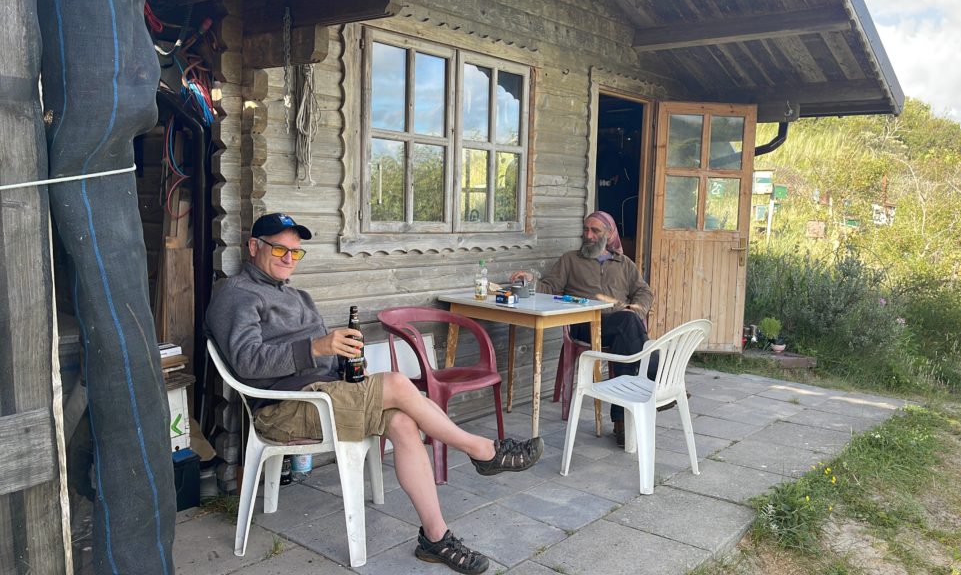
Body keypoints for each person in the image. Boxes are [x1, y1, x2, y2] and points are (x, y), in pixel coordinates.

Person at [207, 213, 543, 574]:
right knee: (398, 383)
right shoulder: (236, 294)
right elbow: (246, 362)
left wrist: (346, 365)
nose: (289, 258)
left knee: (401, 422)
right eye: (279, 249)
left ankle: (435, 537)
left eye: (295, 252)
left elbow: (322, 356)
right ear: (254, 247)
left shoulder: (297, 296)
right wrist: (318, 347)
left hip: (325, 395)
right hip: (283, 408)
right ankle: (484, 451)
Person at [511, 211, 667, 448]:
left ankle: (621, 423)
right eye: (586, 230)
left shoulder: (624, 264)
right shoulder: (571, 260)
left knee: (627, 330)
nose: (589, 235)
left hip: (621, 326)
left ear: (610, 234)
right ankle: (657, 383)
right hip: (584, 325)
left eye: (595, 231)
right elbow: (550, 287)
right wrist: (531, 280)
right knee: (631, 329)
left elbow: (644, 292)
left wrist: (636, 309)